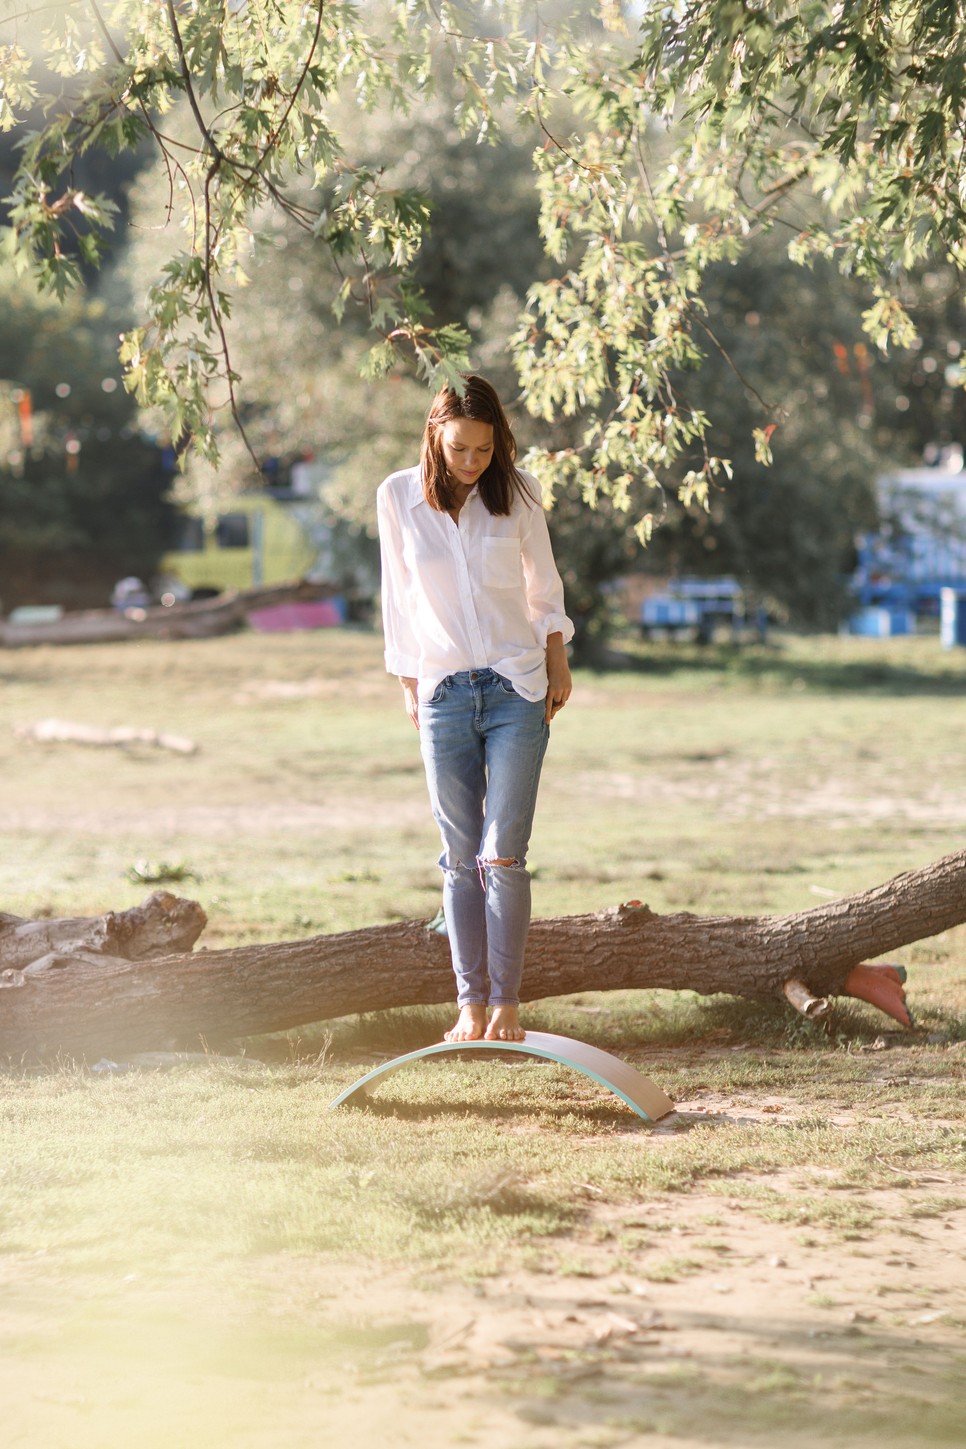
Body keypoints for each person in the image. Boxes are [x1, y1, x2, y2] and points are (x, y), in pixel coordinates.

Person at [377, 375, 574, 1043]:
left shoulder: (517, 494)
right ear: (435, 432)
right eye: (460, 447)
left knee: (503, 856)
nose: (472, 462)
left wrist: (558, 662)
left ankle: (508, 1005)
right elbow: (396, 601)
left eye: (484, 450)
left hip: (517, 685)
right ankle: (469, 1005)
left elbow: (544, 588)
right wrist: (411, 687)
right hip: (443, 692)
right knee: (460, 856)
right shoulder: (398, 497)